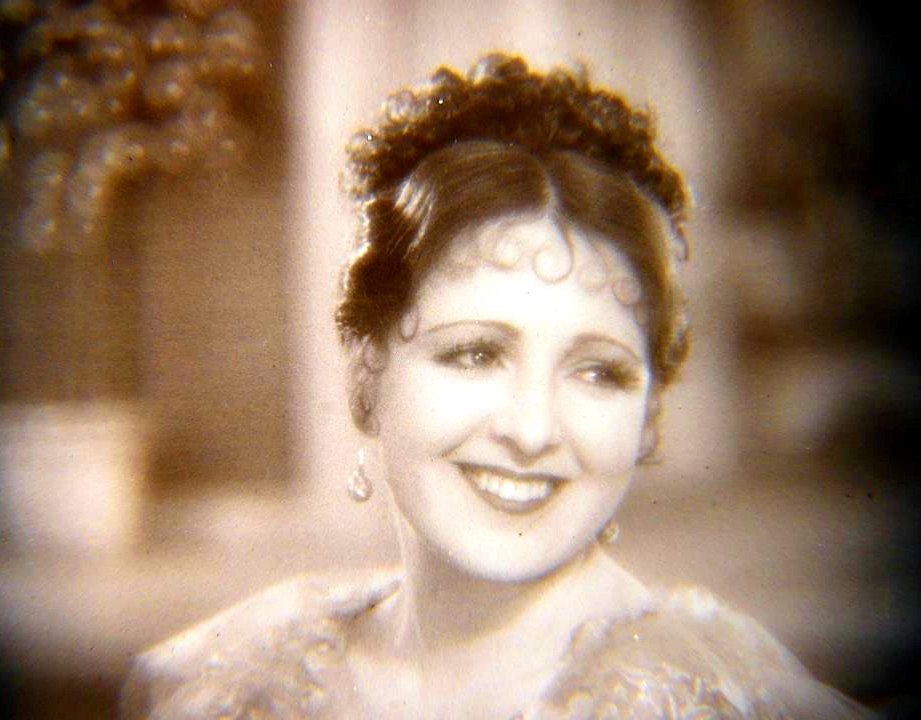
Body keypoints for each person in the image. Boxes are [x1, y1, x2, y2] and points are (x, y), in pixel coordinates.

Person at [121, 54, 874, 719]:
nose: (532, 429)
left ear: (648, 416)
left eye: (598, 372)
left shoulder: (723, 705)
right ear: (366, 372)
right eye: (476, 354)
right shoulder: (223, 685)